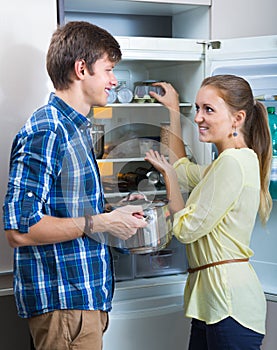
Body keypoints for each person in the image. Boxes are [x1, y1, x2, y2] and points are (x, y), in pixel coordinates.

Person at [2, 21, 147, 350]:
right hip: (64, 307)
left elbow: (69, 211)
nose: (113, 80)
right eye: (108, 70)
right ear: (81, 68)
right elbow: (20, 229)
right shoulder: (48, 130)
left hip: (82, 304)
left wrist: (113, 213)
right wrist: (101, 222)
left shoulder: (76, 130)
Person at [145, 75, 273, 350]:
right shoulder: (232, 161)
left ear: (237, 118)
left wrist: (167, 177)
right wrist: (173, 110)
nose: (200, 118)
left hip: (229, 304)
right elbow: (181, 169)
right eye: (198, 109)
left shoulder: (232, 162)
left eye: (209, 109)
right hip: (212, 303)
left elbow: (186, 229)